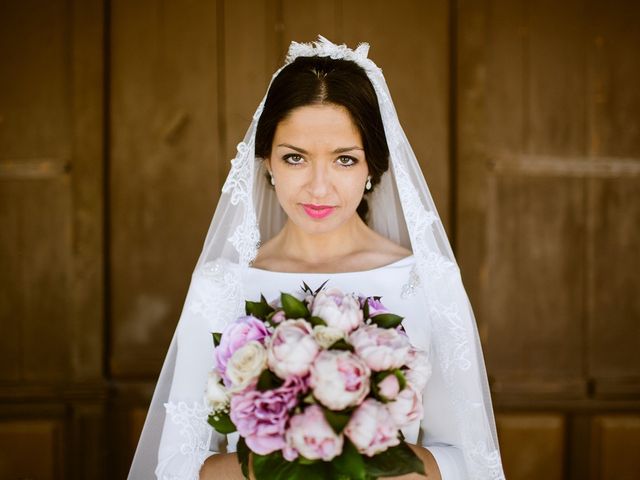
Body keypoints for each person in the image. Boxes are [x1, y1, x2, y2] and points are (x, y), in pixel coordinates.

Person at [128, 36, 506, 480]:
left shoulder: (426, 282)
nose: (320, 188)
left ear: (372, 168)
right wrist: (290, 454)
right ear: (267, 161)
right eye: (295, 158)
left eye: (345, 160)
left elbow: (470, 461)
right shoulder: (221, 285)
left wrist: (363, 450)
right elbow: (175, 465)